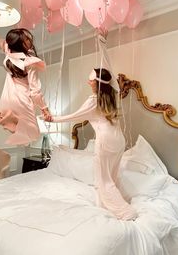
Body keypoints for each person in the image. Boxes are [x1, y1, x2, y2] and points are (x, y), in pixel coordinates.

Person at [43, 66, 137, 220]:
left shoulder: (94, 100)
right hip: (119, 140)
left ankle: (126, 212)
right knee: (111, 177)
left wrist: (53, 119)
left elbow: (75, 116)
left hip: (106, 141)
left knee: (104, 180)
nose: (88, 82)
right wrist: (102, 43)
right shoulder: (113, 94)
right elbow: (108, 71)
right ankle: (107, 206)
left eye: (91, 80)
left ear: (98, 83)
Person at [0, 28, 51, 146]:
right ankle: (5, 120)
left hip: (8, 96)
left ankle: (1, 116)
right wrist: (44, 108)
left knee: (18, 123)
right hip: (22, 98)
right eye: (26, 39)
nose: (29, 40)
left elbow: (2, 43)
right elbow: (35, 91)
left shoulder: (9, 54)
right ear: (20, 43)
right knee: (34, 132)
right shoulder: (30, 62)